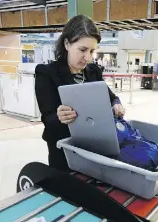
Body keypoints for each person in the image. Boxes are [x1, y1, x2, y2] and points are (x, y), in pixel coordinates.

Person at [35, 15, 126, 172]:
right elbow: (48, 118)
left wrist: (116, 104)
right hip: (63, 148)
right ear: (67, 44)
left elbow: (111, 97)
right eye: (82, 50)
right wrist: (59, 116)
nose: (88, 58)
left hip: (93, 145)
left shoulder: (93, 72)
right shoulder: (47, 73)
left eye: (92, 51)